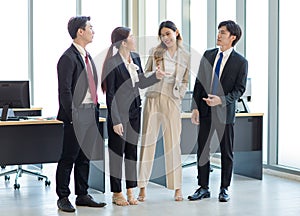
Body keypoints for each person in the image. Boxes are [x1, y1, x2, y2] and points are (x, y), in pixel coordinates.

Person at [101, 26, 165, 206]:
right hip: (119, 114)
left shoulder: (135, 58)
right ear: (123, 42)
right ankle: (116, 192)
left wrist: (156, 76)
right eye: (132, 37)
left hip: (135, 111)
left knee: (131, 153)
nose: (135, 39)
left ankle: (130, 189)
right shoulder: (112, 63)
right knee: (117, 154)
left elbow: (141, 82)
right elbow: (111, 94)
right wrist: (115, 120)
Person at [187, 20, 248, 202]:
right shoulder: (208, 55)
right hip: (205, 110)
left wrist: (221, 100)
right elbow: (199, 83)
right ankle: (203, 187)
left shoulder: (241, 62)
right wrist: (195, 107)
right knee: (203, 151)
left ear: (233, 37)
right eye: (219, 31)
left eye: (223, 32)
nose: (219, 35)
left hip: (224, 113)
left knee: (226, 152)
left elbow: (239, 90)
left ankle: (224, 188)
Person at [56, 16, 106, 212]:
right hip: (76, 115)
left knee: (85, 157)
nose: (93, 31)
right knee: (69, 156)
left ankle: (82, 194)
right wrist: (72, 116)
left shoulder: (87, 56)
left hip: (90, 112)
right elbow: (65, 91)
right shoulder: (67, 58)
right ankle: (63, 197)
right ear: (80, 32)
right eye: (90, 28)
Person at [138, 20, 190, 202]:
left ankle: (177, 188)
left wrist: (180, 95)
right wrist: (155, 75)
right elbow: (143, 78)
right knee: (147, 144)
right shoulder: (155, 52)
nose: (165, 37)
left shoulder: (186, 56)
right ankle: (142, 188)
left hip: (172, 100)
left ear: (176, 33)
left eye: (168, 33)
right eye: (162, 35)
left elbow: (185, 81)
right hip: (153, 98)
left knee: (173, 145)